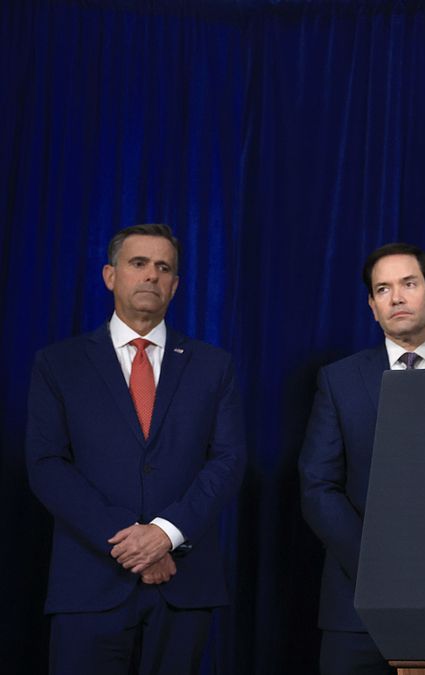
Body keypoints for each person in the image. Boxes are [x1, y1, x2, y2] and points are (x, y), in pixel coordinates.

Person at [26, 223, 246, 675]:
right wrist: (132, 544)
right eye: (138, 263)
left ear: (176, 285)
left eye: (163, 267)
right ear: (111, 275)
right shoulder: (59, 364)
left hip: (182, 587)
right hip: (90, 585)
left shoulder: (213, 366)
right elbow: (47, 465)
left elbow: (227, 460)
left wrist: (166, 533)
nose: (151, 275)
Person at [299, 243, 425, 675]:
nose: (396, 298)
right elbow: (318, 486)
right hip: (356, 609)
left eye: (408, 284)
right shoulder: (339, 380)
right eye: (383, 289)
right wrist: (376, 566)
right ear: (372, 306)